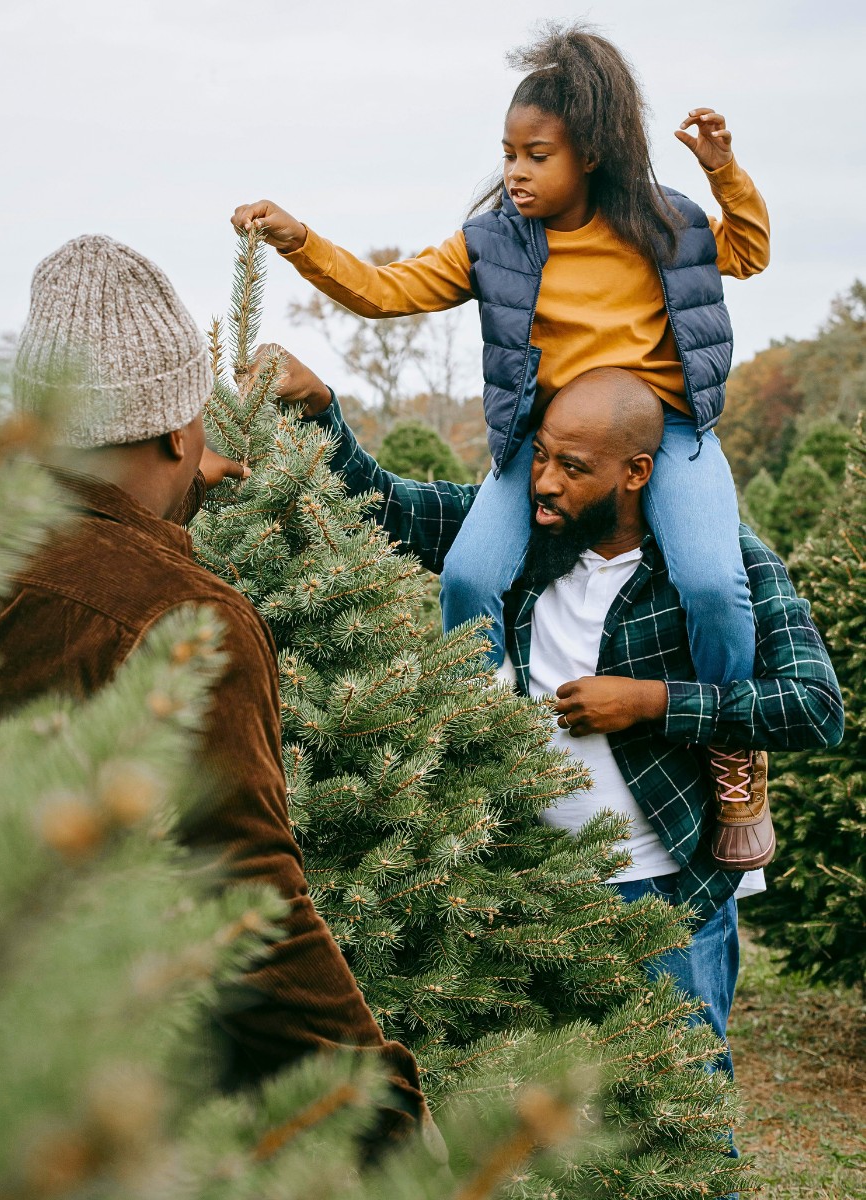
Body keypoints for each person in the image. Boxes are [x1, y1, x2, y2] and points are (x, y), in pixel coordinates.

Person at [230, 23, 774, 871]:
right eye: (509, 153)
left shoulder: (669, 223)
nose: (515, 171)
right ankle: (493, 746)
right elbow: (385, 291)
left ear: (589, 153)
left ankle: (734, 750)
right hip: (545, 437)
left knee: (712, 580)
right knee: (470, 576)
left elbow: (750, 251)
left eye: (537, 154)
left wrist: (721, 169)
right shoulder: (492, 244)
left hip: (663, 431)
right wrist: (302, 242)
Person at [262, 348, 844, 1104]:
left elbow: (813, 704)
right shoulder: (523, 541)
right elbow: (385, 503)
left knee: (680, 1108)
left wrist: (649, 702)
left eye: (573, 467)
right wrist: (322, 410)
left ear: (635, 472)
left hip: (664, 894)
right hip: (528, 886)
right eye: (540, 458)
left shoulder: (722, 564)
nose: (544, 482)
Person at [0, 234, 426, 1145]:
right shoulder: (183, 620)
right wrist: (380, 1113)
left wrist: (169, 499)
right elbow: (244, 903)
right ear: (180, 430)